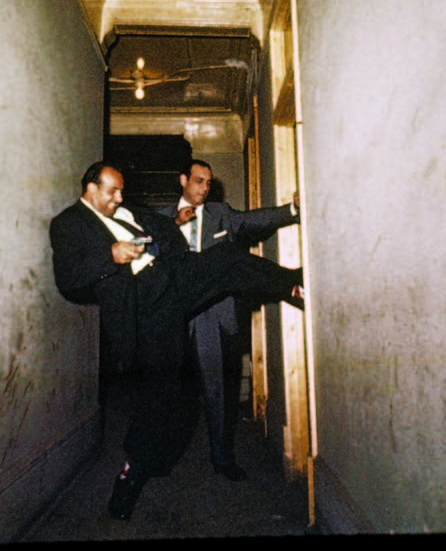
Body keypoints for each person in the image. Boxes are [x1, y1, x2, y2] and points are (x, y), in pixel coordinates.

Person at [48, 161, 303, 521]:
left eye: (121, 190)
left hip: (173, 276)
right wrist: (110, 255)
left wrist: (177, 229)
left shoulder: (128, 210)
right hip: (144, 305)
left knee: (226, 259)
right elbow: (67, 276)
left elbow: (162, 229)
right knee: (163, 391)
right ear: (91, 188)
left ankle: (292, 283)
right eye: (113, 191)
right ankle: (133, 472)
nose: (120, 197)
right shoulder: (67, 224)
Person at [158, 159, 300, 481]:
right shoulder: (161, 218)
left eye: (208, 183)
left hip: (211, 315)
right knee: (169, 392)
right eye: (198, 181)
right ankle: (160, 457)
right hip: (174, 314)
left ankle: (222, 459)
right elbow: (147, 252)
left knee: (218, 391)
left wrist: (290, 211)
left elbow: (252, 220)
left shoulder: (220, 214)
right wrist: (172, 227)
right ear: (183, 180)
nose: (204, 188)